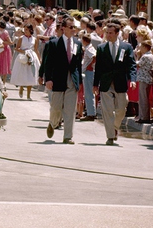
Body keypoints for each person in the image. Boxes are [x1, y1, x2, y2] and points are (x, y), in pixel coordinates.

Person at [41, 15, 83, 145]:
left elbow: (78, 64)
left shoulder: (78, 44)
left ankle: (68, 136)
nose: (73, 30)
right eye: (71, 27)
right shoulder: (53, 43)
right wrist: (48, 79)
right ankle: (52, 123)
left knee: (70, 109)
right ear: (63, 28)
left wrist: (79, 81)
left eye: (74, 27)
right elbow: (48, 63)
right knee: (56, 108)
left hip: (72, 80)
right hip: (58, 79)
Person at [93, 22, 137, 146]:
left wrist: (133, 79)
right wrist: (95, 84)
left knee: (121, 109)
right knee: (107, 110)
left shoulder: (126, 47)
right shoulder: (102, 48)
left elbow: (132, 65)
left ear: (117, 33)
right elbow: (99, 68)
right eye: (107, 32)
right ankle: (110, 136)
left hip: (120, 82)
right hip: (106, 82)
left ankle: (115, 127)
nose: (108, 35)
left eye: (111, 33)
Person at [12, 23, 41, 100]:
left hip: (32, 57)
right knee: (23, 73)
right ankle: (21, 87)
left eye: (27, 30)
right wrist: (25, 52)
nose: (25, 31)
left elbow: (36, 49)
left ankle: (28, 95)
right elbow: (17, 48)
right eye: (24, 30)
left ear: (31, 30)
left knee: (31, 75)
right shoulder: (21, 38)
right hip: (23, 56)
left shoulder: (34, 39)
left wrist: (39, 58)